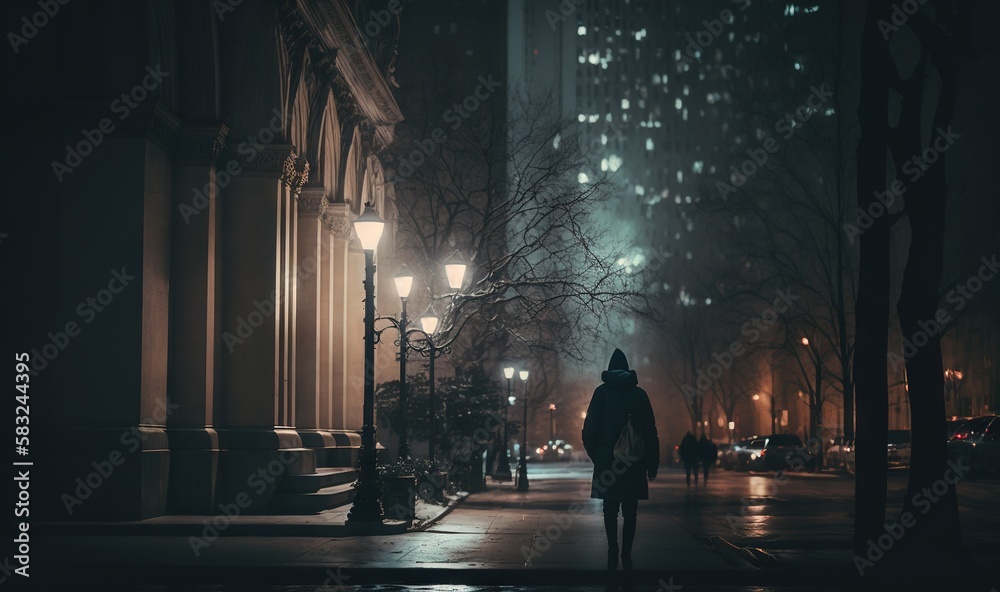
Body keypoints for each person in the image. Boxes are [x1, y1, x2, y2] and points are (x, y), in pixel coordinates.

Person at [582, 348, 659, 572]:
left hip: (608, 463)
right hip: (634, 462)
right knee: (630, 511)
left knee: (609, 509)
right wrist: (652, 462)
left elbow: (589, 430)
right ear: (627, 369)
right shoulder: (640, 395)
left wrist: (598, 457)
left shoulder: (601, 393)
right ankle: (627, 554)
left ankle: (612, 550)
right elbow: (650, 431)